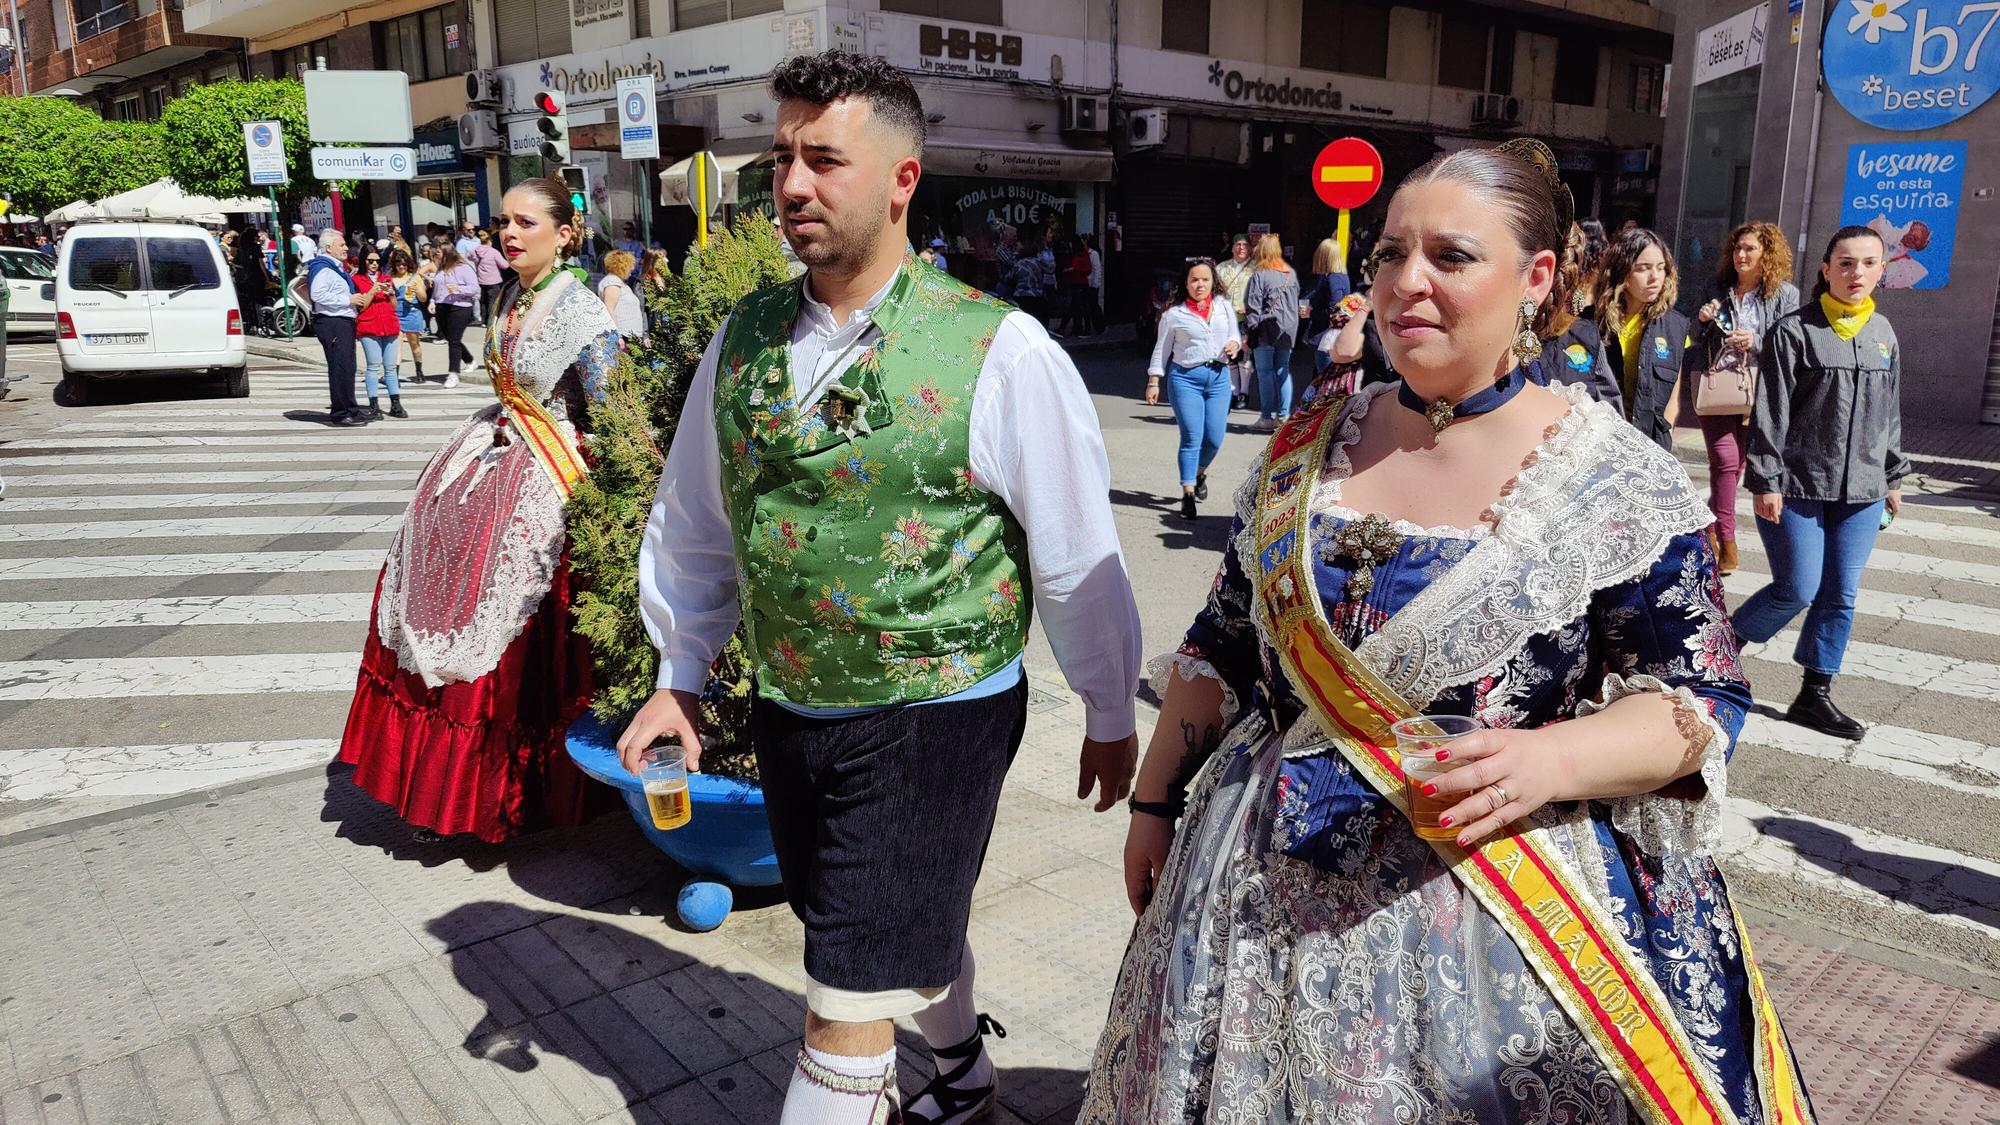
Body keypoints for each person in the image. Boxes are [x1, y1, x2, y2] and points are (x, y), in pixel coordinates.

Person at [1084, 139, 1816, 1125]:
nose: (1404, 284)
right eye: (1388, 254)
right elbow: (1221, 640)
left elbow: (1699, 699)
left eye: (1450, 257)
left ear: (1536, 277)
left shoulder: (1614, 480)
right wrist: (1153, 803)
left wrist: (1551, 760)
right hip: (1251, 896)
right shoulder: (1305, 446)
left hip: (1493, 917)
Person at [619, 50, 1142, 1125]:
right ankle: (958, 1080)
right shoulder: (742, 339)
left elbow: (1074, 548)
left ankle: (893, 1089)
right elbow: (696, 525)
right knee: (870, 926)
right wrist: (678, 676)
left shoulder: (1001, 349)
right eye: (780, 159)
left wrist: (1105, 705)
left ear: (902, 179)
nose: (793, 185)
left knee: (846, 993)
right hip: (792, 705)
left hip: (934, 716)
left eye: (824, 159)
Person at [338, 177, 622, 844]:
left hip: (548, 473)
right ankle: (440, 783)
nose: (511, 233)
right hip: (496, 452)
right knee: (430, 583)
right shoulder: (507, 295)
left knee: (516, 621)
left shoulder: (583, 312)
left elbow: (613, 409)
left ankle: (512, 790)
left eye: (527, 222)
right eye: (504, 221)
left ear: (566, 233)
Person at [1733, 225, 1905, 741]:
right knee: (1798, 587)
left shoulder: (1884, 334)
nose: (1857, 273)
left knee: (1840, 594)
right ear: (1826, 269)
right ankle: (1713, 655)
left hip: (1864, 492)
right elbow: (1772, 413)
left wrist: (1894, 474)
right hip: (1799, 484)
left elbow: (1890, 413)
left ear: (1882, 271)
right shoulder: (1794, 332)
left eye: (1868, 263)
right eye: (1846, 263)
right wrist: (1766, 479)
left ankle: (1815, 693)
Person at [1690, 221, 1799, 577]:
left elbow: (1790, 346)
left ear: (1767, 253)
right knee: (1724, 461)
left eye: (1750, 249)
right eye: (1737, 249)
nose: (1741, 255)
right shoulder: (1717, 288)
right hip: (1719, 385)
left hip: (1760, 389)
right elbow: (1696, 334)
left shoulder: (1785, 295)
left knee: (1736, 468)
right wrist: (1704, 319)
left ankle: (1707, 524)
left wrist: (1757, 341)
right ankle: (1727, 543)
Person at [1146, 258, 1242, 520]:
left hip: (1219, 377)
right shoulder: (1174, 315)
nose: (1200, 285)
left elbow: (1234, 334)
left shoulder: (1223, 306)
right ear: (1185, 283)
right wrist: (1154, 380)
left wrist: (1234, 344)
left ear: (1213, 282)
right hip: (1185, 378)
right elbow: (1161, 349)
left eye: (1205, 280)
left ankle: (1200, 473)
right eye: (1194, 280)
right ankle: (1188, 493)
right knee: (1192, 436)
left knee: (1214, 438)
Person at [1594, 227, 1690, 449]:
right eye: (1643, 268)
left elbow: (1672, 400)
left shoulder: (1675, 327)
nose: (1655, 277)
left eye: (1660, 268)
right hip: (1600, 444)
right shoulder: (1591, 325)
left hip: (1651, 447)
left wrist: (1664, 442)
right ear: (1623, 273)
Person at [307, 230, 381, 428]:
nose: (346, 248)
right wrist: (347, 299)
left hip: (342, 321)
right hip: (333, 322)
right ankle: (340, 413)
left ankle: (351, 409)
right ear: (328, 247)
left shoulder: (335, 267)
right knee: (340, 367)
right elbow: (317, 294)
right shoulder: (323, 268)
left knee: (347, 367)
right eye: (341, 245)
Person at [1242, 234, 1300, 432]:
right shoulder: (1290, 273)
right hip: (1288, 330)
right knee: (1283, 370)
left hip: (1265, 329)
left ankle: (1266, 417)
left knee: (1265, 372)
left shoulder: (1260, 274)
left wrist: (1248, 330)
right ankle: (1284, 415)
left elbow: (1253, 305)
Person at [352, 247, 407, 419]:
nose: (374, 264)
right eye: (370, 261)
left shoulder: (386, 278)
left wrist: (390, 294)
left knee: (390, 367)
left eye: (377, 261)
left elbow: (394, 306)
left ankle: (396, 404)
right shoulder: (357, 279)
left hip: (389, 325)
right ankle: (374, 405)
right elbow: (361, 306)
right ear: (363, 261)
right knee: (373, 366)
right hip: (369, 326)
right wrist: (372, 291)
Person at [1214, 235, 1255, 410]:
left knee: (1245, 355)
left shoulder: (1256, 268)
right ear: (1232, 248)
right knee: (1230, 355)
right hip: (1225, 318)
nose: (1241, 248)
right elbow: (1214, 291)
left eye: (1245, 245)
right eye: (1237, 244)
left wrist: (1250, 308)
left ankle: (1244, 393)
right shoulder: (1221, 268)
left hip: (1247, 319)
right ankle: (1233, 391)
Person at [1301, 236, 1351, 373]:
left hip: (1328, 338)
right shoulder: (1341, 276)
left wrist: (1311, 313)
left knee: (1325, 382)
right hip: (1334, 336)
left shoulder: (1333, 279)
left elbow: (1334, 312)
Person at [431, 245, 479, 386]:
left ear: (447, 253)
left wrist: (459, 288)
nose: (436, 254)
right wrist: (433, 301)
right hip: (442, 306)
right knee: (451, 338)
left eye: (438, 252)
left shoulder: (463, 268)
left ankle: (453, 374)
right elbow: (436, 288)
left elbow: (474, 288)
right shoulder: (441, 268)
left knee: (454, 341)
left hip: (460, 307)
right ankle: (470, 360)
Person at [387, 249, 430, 384]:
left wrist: (416, 288)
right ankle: (396, 374)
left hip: (412, 312)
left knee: (414, 343)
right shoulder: (389, 277)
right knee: (396, 345)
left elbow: (423, 299)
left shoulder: (414, 277)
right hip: (396, 313)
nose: (401, 266)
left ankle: (419, 370)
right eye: (398, 263)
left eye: (404, 264)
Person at [597, 249, 647, 345]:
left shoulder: (621, 283)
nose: (632, 268)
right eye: (629, 265)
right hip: (623, 339)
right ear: (621, 266)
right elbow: (610, 311)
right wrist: (618, 337)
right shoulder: (612, 283)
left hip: (631, 338)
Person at [231, 223, 269, 331]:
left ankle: (253, 324)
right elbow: (261, 263)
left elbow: (235, 263)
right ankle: (261, 323)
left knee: (250, 301)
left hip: (245, 278)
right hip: (256, 276)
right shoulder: (255, 247)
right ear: (253, 237)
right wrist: (266, 276)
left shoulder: (241, 248)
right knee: (259, 300)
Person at [468, 230, 509, 326]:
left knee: (484, 301)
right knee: (493, 302)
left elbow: (469, 256)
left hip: (481, 280)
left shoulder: (475, 251)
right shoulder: (493, 252)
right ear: (489, 241)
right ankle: (491, 321)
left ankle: (484, 320)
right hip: (494, 281)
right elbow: (505, 265)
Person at [1083, 233, 1105, 336]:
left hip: (1092, 285)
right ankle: (1098, 325)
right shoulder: (1089, 253)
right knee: (1092, 305)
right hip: (1089, 283)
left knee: (1093, 306)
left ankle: (1100, 325)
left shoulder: (1094, 254)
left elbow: (1097, 269)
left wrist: (1096, 283)